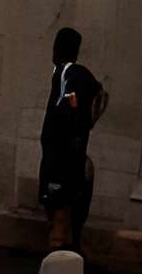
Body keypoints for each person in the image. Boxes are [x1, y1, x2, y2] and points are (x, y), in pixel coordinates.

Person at [37, 28, 106, 251]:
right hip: (63, 153)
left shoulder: (69, 74)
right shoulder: (69, 74)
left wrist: (76, 128)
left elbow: (70, 106)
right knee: (59, 205)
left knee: (59, 210)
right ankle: (65, 246)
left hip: (61, 155)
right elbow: (100, 97)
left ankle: (58, 252)